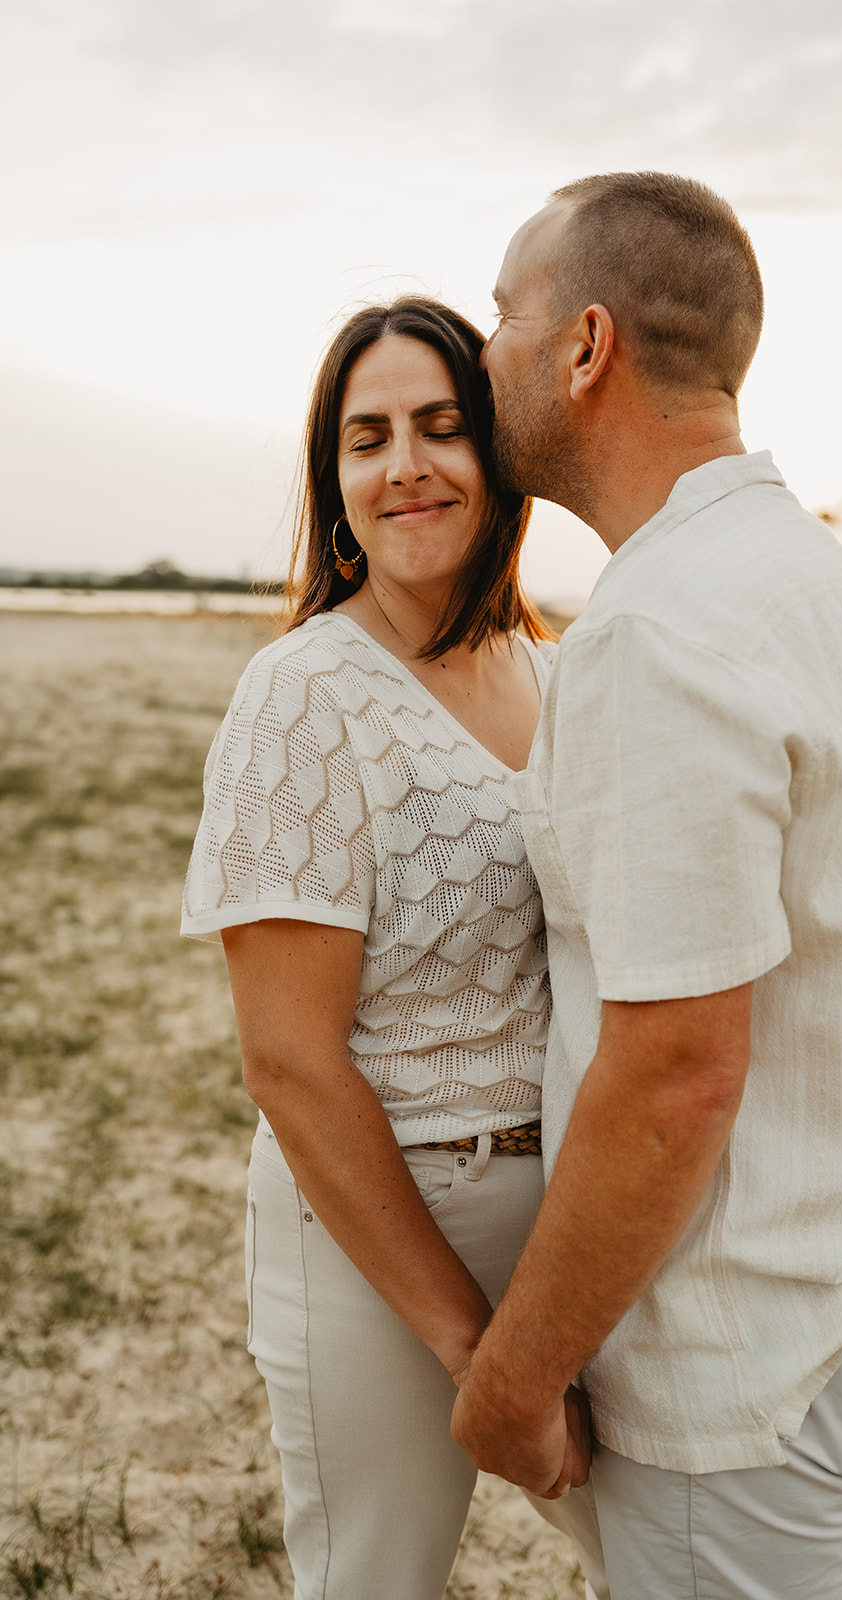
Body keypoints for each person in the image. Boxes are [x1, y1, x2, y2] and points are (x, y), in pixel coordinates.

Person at [450, 174, 842, 1599]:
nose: (481, 348)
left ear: (583, 347)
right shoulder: (822, 585)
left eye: (501, 313)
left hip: (754, 1357)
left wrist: (519, 1374)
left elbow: (676, 1073)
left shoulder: (662, 635)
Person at [181, 296, 606, 1600]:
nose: (405, 464)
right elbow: (291, 1063)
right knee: (378, 1579)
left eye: (440, 426)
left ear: (500, 454)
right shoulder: (305, 692)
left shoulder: (553, 670)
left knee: (672, 1554)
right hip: (377, 1232)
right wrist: (473, 1352)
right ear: (336, 480)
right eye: (367, 438)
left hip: (569, 1225)